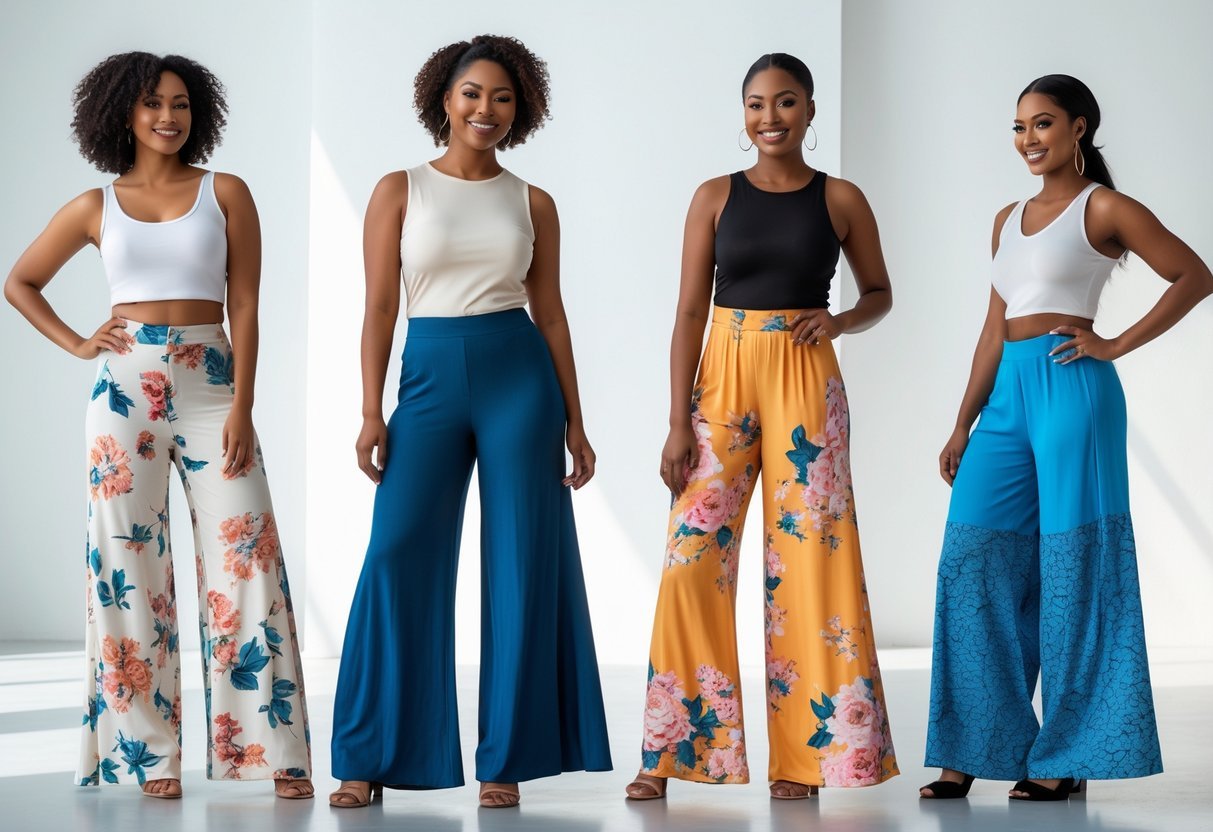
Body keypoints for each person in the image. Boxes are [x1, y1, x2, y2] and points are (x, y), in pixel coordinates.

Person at [4, 52, 313, 800]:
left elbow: (244, 306)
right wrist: (81, 342)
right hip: (123, 392)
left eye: (179, 104)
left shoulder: (226, 192)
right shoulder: (93, 205)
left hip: (212, 382)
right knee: (126, 570)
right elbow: (19, 282)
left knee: (247, 557)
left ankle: (271, 751)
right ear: (124, 114)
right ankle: (148, 755)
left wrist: (242, 402)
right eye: (152, 105)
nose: (168, 117)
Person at [328, 34, 612, 810]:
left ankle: (506, 760)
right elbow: (380, 307)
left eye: (502, 98)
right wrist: (368, 408)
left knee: (523, 560)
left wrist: (576, 423)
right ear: (443, 100)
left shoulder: (532, 201)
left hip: (518, 373)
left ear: (521, 110)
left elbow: (550, 314)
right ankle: (369, 756)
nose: (485, 109)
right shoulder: (400, 189)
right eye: (472, 94)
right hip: (426, 374)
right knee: (397, 552)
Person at [921, 74, 1213, 802]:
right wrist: (963, 420)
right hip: (1007, 398)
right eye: (1019, 127)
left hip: (1070, 390)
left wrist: (1112, 344)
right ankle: (969, 746)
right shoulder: (1005, 217)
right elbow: (994, 326)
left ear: (1079, 128)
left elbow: (1193, 275)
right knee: (970, 563)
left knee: (1074, 567)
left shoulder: (1104, 207)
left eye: (1043, 124)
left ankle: (1065, 754)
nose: (1028, 139)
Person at [626, 53, 898, 802]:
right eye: (755, 104)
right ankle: (672, 752)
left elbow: (878, 291)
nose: (768, 117)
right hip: (723, 374)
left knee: (811, 560)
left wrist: (840, 318)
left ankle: (807, 759)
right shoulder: (714, 196)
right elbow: (687, 312)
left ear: (810, 110)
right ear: (741, 114)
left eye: (784, 103)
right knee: (690, 558)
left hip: (806, 379)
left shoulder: (839, 198)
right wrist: (677, 420)